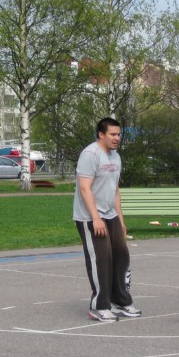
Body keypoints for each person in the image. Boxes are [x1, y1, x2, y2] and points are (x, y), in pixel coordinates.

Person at [73, 117, 141, 322]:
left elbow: (115, 190)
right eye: (112, 134)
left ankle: (119, 301)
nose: (117, 138)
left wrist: (120, 219)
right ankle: (99, 305)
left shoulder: (115, 157)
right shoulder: (90, 154)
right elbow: (84, 188)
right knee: (101, 260)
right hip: (90, 217)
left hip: (110, 215)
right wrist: (96, 218)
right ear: (101, 134)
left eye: (119, 134)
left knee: (121, 256)